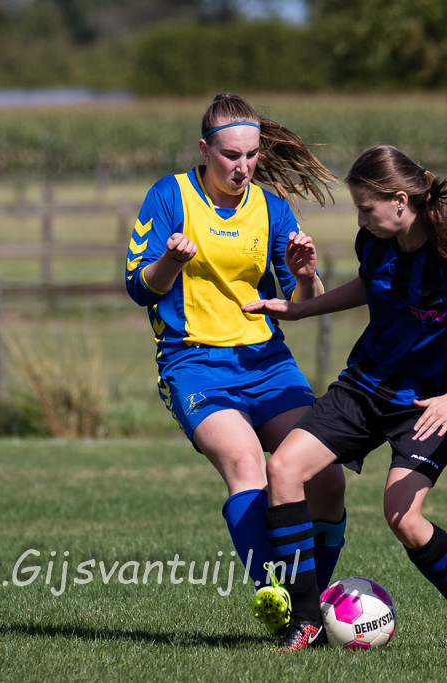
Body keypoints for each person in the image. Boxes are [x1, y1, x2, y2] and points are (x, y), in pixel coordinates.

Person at [242, 144, 447, 651]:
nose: (360, 220)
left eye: (365, 208)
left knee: (403, 517)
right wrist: (300, 308)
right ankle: (305, 622)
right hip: (362, 389)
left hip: (425, 406)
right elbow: (370, 286)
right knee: (283, 470)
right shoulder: (374, 241)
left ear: (400, 201)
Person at [123, 93, 348, 636]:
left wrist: (305, 276)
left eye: (251, 155)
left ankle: (309, 607)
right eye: (230, 155)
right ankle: (279, 598)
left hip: (267, 362)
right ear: (205, 150)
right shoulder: (170, 196)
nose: (242, 166)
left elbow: (302, 304)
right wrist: (169, 261)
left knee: (327, 478)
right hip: (194, 363)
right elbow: (138, 287)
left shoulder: (270, 208)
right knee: (247, 465)